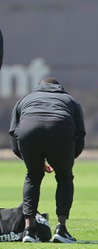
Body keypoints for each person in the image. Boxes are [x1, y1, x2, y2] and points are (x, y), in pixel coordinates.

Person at [9, 77, 86, 242]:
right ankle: (61, 229)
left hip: (28, 132)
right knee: (64, 177)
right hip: (60, 130)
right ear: (59, 87)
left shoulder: (25, 99)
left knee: (33, 175)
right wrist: (65, 160)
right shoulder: (70, 100)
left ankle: (29, 230)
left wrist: (30, 160)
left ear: (39, 88)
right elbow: (80, 135)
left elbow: (13, 134)